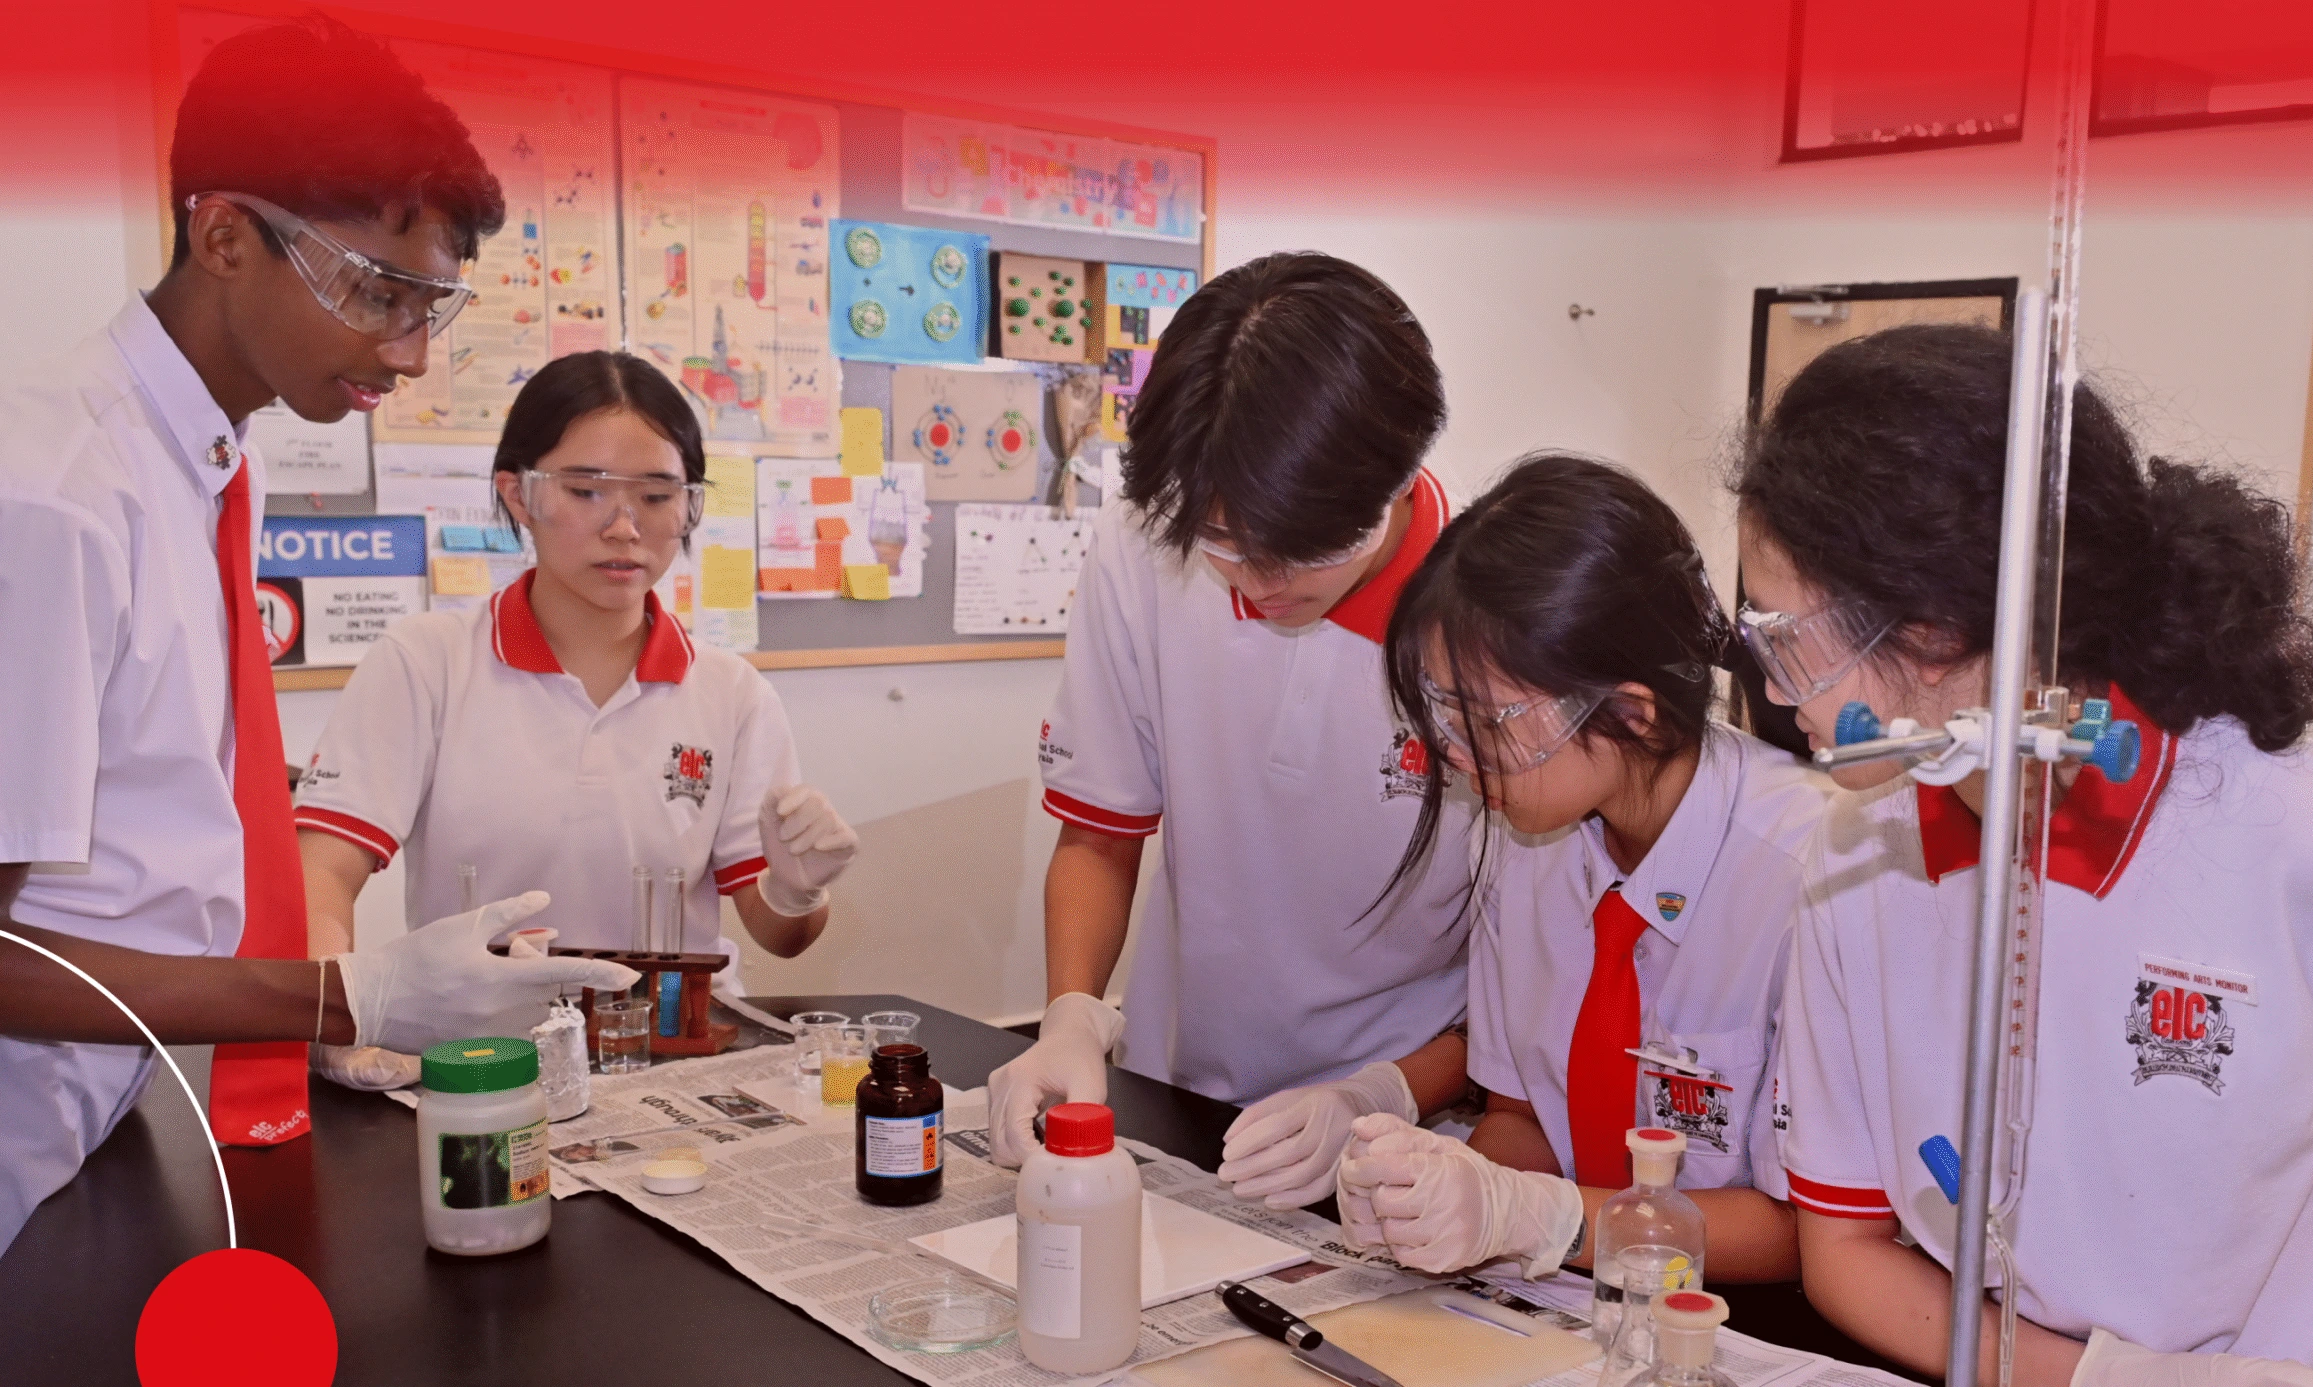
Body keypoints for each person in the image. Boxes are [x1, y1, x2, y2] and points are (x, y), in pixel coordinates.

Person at [1748, 324, 2313, 1387]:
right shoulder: (1855, 861)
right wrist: (2097, 1377)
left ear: (1941, 627)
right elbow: (1846, 1250)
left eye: (1788, 639)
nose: (1769, 690)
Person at [0, 17, 635, 1254]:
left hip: (108, 1108)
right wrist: (346, 995)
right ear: (225, 233)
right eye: (375, 292)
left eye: (431, 305)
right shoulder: (58, 496)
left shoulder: (202, 466)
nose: (405, 351)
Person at [986, 253, 1479, 1190]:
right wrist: (1071, 1015)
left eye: (1304, 550)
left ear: (1402, 474)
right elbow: (1100, 827)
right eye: (1226, 545)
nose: (1261, 582)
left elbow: (1538, 975)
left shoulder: (1490, 610)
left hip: (1410, 1143)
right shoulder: (1146, 540)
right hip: (1187, 1102)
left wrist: (1381, 1095)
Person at [294, 351, 857, 1088]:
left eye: (657, 496)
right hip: (478, 1051)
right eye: (587, 490)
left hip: (667, 1053)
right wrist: (329, 1008)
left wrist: (795, 890)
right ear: (518, 494)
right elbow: (322, 868)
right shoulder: (426, 662)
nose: (625, 527)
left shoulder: (732, 694)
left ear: (689, 505)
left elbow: (780, 936)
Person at [1331, 455, 1822, 1284]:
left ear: (1631, 711)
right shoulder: (1531, 838)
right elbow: (1523, 1113)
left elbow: (1804, 1232)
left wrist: (1545, 1219)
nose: (1453, 754)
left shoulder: (1808, 873)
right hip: (1568, 1298)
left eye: (1485, 719)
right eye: (1442, 710)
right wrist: (1453, 1196)